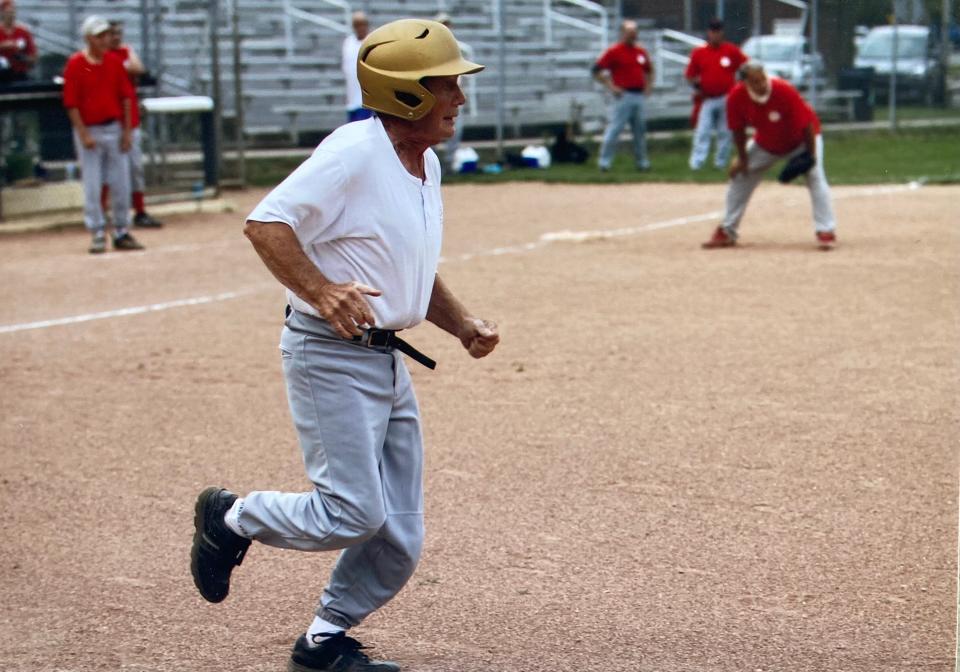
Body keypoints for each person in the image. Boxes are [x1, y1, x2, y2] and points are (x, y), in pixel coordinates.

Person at [190, 18, 498, 672]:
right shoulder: (354, 151)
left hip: (385, 359)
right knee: (350, 512)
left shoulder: (425, 163)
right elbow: (266, 223)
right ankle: (231, 520)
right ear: (408, 93)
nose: (460, 101)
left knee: (399, 536)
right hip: (328, 354)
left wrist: (461, 323)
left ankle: (324, 641)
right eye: (448, 87)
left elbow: (405, 264)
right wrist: (321, 289)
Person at [702, 61, 837, 250]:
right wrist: (742, 159)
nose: (762, 84)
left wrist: (810, 156)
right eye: (755, 81)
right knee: (740, 176)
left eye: (763, 78)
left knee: (815, 176)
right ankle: (727, 230)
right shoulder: (736, 97)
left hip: (802, 140)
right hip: (767, 142)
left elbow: (807, 125)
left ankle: (825, 230)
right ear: (745, 83)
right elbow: (738, 132)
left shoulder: (783, 90)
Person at [62, 15, 143, 254]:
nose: (105, 39)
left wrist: (127, 131)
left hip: (113, 128)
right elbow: (71, 103)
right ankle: (97, 230)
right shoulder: (77, 63)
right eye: (99, 36)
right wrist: (83, 132)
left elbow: (126, 97)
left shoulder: (113, 62)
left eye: (106, 35)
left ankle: (121, 230)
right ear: (88, 39)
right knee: (93, 184)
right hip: (91, 129)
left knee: (121, 183)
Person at [100, 20, 162, 228]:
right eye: (111, 34)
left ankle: (140, 211)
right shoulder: (101, 58)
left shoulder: (124, 53)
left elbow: (138, 68)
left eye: (118, 34)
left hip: (130, 120)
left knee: (135, 168)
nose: (115, 38)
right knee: (107, 172)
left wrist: (128, 49)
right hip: (109, 121)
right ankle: (103, 213)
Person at [685, 18, 746, 170]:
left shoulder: (730, 50)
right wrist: (698, 86)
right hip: (708, 98)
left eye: (718, 31)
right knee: (702, 131)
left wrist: (741, 86)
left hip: (727, 97)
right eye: (713, 31)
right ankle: (697, 163)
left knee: (725, 132)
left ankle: (720, 163)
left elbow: (745, 67)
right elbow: (690, 75)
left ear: (722, 33)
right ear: (709, 33)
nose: (715, 35)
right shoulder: (699, 53)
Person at [592, 19, 652, 172]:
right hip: (623, 95)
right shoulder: (614, 51)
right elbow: (596, 70)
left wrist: (648, 86)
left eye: (634, 33)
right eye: (629, 33)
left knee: (639, 131)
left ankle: (642, 162)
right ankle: (604, 162)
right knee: (615, 129)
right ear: (622, 34)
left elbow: (649, 69)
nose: (633, 36)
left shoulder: (640, 52)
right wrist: (611, 86)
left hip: (638, 94)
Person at [433, 12, 474, 172]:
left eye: (447, 25)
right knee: (433, 127)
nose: (446, 28)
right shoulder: (431, 49)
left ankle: (450, 161)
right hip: (438, 94)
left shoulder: (458, 48)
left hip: (453, 93)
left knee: (455, 129)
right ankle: (434, 161)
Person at [341, 11, 371, 123]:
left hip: (366, 99)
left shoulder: (370, 42)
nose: (360, 28)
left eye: (362, 24)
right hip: (352, 97)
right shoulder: (348, 42)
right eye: (357, 25)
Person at [0, 0, 35, 84]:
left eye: (13, 11)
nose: (11, 15)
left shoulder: (23, 31)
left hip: (20, 74)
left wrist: (23, 58)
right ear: (2, 13)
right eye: (8, 12)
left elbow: (33, 56)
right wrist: (4, 46)